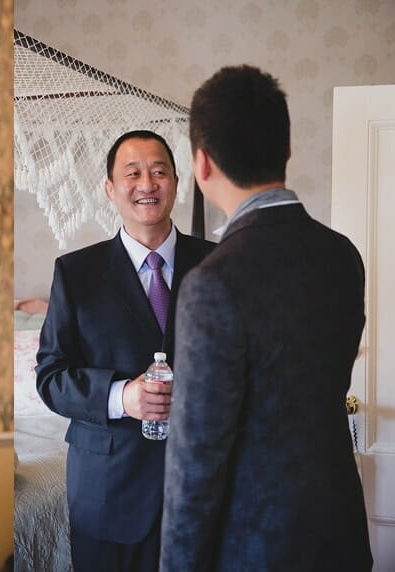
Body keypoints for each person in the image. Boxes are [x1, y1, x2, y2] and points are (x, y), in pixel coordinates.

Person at [161, 65, 372, 571]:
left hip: (255, 549)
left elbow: (196, 461)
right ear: (287, 150)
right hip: (339, 530)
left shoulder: (212, 283)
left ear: (201, 163)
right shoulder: (341, 255)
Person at [35, 130, 214, 572]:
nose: (147, 184)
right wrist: (121, 396)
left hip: (203, 489)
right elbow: (51, 376)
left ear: (176, 182)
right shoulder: (76, 273)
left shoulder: (219, 264)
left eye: (159, 171)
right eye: (132, 173)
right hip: (108, 495)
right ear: (110, 190)